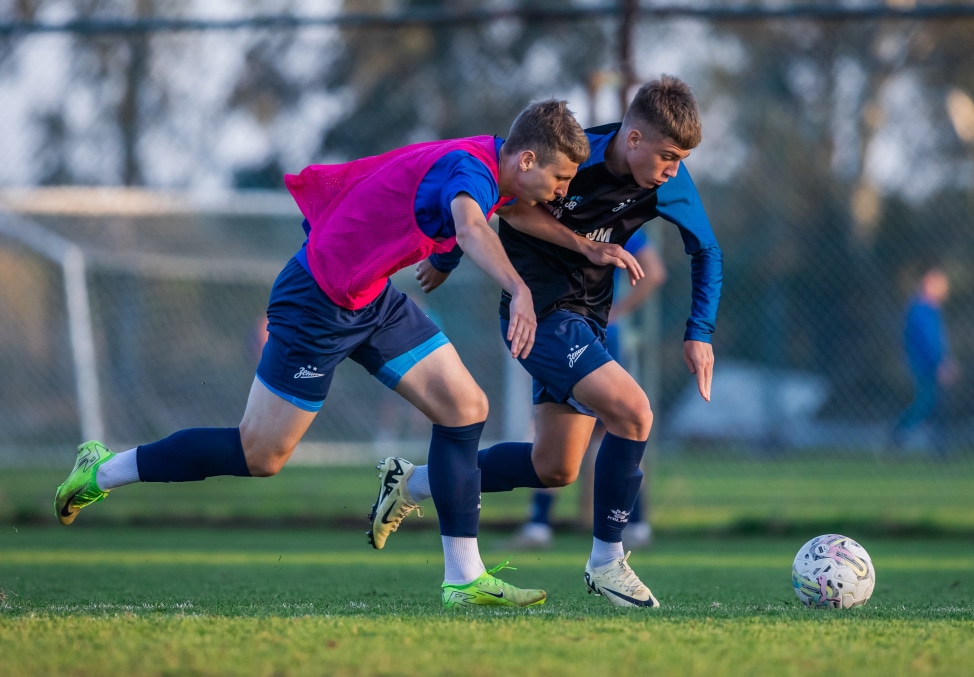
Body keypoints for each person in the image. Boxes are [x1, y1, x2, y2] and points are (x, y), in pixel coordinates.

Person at [53, 99, 591, 610]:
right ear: (525, 159)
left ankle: (464, 578)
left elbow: (457, 210)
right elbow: (471, 221)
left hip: (371, 298)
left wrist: (467, 258)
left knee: (465, 408)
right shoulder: (472, 169)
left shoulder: (492, 164)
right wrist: (518, 289)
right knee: (259, 455)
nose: (562, 190)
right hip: (316, 302)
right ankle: (101, 470)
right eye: (560, 178)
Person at [370, 75, 723, 608]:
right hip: (538, 315)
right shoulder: (571, 155)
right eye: (669, 156)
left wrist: (698, 333)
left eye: (682, 159)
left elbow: (707, 252)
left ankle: (414, 483)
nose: (675, 171)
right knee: (634, 413)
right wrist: (445, 256)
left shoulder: (668, 181)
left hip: (587, 318)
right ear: (632, 139)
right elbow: (501, 202)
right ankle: (608, 562)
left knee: (554, 466)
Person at [508, 231, 667, 551]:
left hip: (581, 333)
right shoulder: (568, 207)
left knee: (611, 425)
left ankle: (542, 524)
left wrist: (616, 312)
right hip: (573, 331)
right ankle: (634, 524)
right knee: (607, 431)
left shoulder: (614, 214)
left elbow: (655, 272)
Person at [891, 267, 958, 451]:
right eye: (940, 286)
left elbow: (938, 341)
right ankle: (899, 434)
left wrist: (946, 360)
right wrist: (940, 364)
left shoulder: (931, 310)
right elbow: (928, 342)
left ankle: (937, 444)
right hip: (925, 366)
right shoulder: (921, 311)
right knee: (926, 403)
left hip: (931, 364)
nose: (944, 290)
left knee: (935, 404)